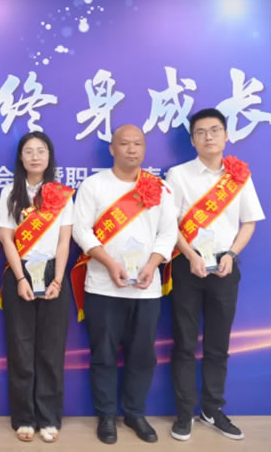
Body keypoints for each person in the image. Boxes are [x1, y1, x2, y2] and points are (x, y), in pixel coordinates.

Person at [71, 124, 177, 445]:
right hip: (103, 287)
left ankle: (134, 413)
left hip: (146, 288)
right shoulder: (93, 186)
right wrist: (110, 263)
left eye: (138, 144)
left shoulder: (159, 188)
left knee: (142, 355)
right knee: (103, 354)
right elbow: (81, 230)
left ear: (144, 148)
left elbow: (168, 232)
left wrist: (153, 264)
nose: (132, 149)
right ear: (112, 149)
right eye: (124, 143)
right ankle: (106, 415)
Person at [166, 108, 265, 442]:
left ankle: (212, 409)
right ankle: (184, 413)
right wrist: (190, 255)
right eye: (201, 132)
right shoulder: (178, 175)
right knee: (184, 343)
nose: (208, 137)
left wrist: (232, 254)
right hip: (187, 265)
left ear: (226, 135)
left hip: (225, 266)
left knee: (218, 345)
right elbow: (169, 224)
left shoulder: (238, 176)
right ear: (192, 140)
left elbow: (249, 221)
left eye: (214, 130)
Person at [0, 131, 73, 443]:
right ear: (20, 157)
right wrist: (20, 278)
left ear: (49, 156)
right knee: (20, 348)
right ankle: (24, 418)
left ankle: (49, 417)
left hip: (54, 272)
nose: (35, 156)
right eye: (28, 151)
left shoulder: (61, 194)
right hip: (21, 272)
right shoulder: (9, 193)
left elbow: (65, 240)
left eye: (41, 150)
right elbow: (6, 238)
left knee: (51, 350)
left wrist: (58, 279)